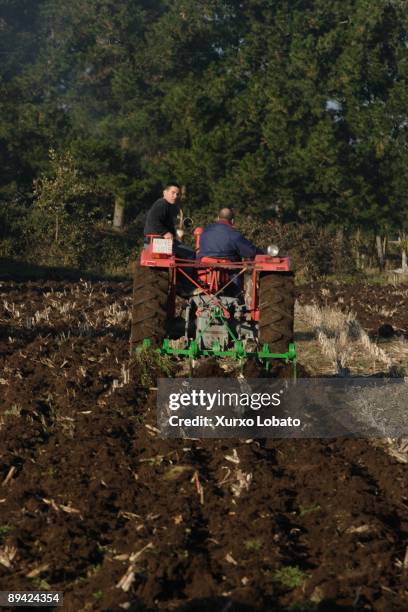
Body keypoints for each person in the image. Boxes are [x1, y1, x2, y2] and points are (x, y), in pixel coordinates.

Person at [144, 182, 195, 261]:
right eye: (173, 193)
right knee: (192, 253)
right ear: (165, 192)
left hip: (156, 242)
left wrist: (174, 235)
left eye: (177, 194)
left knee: (183, 250)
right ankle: (187, 274)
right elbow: (153, 221)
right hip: (157, 243)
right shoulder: (162, 204)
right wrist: (165, 232)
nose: (175, 196)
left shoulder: (167, 206)